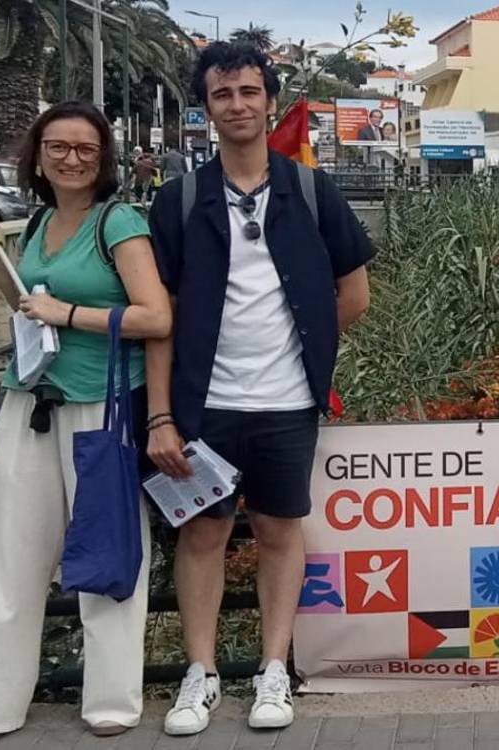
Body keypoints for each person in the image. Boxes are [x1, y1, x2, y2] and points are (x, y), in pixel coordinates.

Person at [146, 42, 373, 735]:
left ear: (268, 99)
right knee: (202, 534)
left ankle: (274, 669)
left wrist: (299, 349)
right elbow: (162, 318)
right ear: (205, 107)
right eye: (222, 95)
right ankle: (201, 673)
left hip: (285, 404)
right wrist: (161, 415)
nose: (237, 105)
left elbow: (354, 294)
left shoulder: (310, 190)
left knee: (279, 531)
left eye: (248, 91)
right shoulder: (179, 200)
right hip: (203, 404)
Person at [0, 101, 173, 745]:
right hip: (29, 403)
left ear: (104, 158)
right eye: (57, 147)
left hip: (101, 408)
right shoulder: (39, 219)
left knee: (106, 549)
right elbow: (32, 308)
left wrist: (65, 312)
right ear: (37, 156)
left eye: (85, 148)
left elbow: (157, 318)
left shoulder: (119, 222)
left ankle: (112, 700)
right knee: (6, 555)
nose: (71, 159)